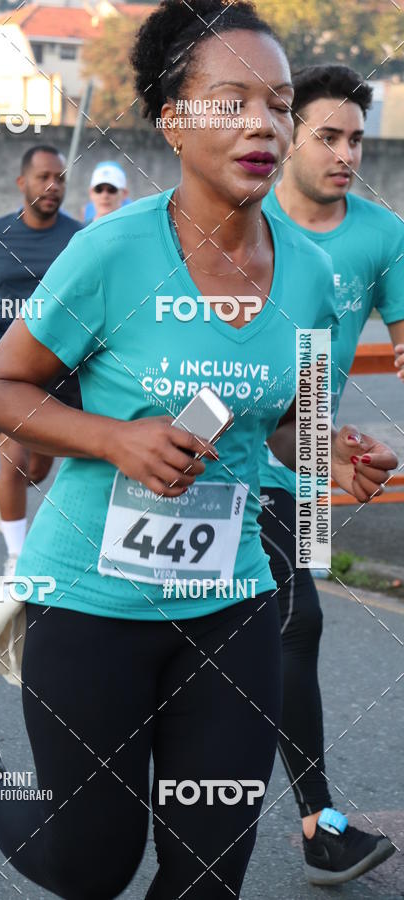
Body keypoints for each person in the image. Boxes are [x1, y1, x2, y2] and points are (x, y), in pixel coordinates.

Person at [0, 4, 397, 898]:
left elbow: (278, 420)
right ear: (173, 120)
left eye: (279, 103)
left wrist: (325, 452)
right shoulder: (110, 253)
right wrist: (115, 439)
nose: (263, 123)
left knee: (210, 869)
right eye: (230, 101)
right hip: (91, 600)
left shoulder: (310, 274)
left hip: (233, 601)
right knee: (90, 862)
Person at [257, 64, 404, 885]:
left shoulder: (382, 235)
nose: (346, 153)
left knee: (290, 626)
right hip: (205, 447)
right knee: (242, 632)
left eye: (356, 138)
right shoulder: (241, 217)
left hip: (302, 452)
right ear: (287, 137)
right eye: (328, 136)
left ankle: (317, 824)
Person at [0, 145, 83, 575]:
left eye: (61, 178)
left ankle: (6, 491)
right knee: (16, 459)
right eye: (44, 176)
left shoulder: (78, 237)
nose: (53, 186)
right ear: (22, 183)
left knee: (39, 466)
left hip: (61, 368)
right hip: (5, 367)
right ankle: (16, 559)